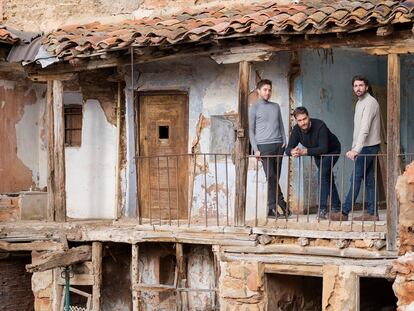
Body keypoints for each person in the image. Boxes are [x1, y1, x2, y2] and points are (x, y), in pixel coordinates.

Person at [330, 76, 381, 221]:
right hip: (364, 147)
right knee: (370, 181)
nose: (358, 88)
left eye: (361, 85)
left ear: (367, 86)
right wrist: (355, 147)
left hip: (368, 148)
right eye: (355, 86)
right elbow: (358, 129)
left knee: (355, 178)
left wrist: (356, 150)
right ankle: (373, 213)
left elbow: (364, 129)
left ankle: (344, 212)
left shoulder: (370, 103)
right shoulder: (360, 103)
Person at [285, 107, 341, 220]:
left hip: (331, 151)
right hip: (316, 153)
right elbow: (288, 149)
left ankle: (322, 209)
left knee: (322, 176)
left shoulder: (320, 126)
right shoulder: (296, 129)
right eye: (299, 120)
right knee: (327, 177)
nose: (303, 122)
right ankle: (337, 205)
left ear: (308, 116)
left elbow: (324, 148)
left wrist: (304, 151)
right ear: (296, 120)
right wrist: (292, 151)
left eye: (304, 119)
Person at [249, 79, 290, 218]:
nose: (268, 92)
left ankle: (273, 209)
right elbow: (251, 130)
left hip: (279, 146)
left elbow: (281, 124)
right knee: (271, 176)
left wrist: (285, 140)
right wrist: (255, 149)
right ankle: (279, 205)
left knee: (275, 178)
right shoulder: (254, 107)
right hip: (263, 147)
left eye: (270, 90)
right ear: (258, 91)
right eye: (265, 90)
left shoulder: (276, 106)